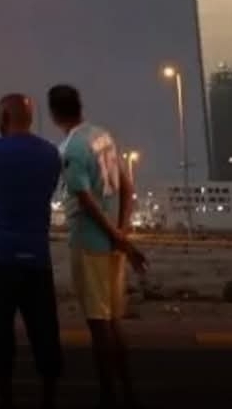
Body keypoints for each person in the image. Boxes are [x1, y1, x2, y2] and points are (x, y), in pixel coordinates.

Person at [47, 84, 148, 409]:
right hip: (113, 243)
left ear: (54, 113)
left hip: (90, 243)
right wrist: (122, 233)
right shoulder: (103, 136)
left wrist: (116, 236)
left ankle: (108, 395)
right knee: (114, 320)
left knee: (99, 324)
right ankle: (127, 391)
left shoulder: (71, 149)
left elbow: (85, 199)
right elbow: (127, 186)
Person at [0, 94, 64, 409]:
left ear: (3, 118)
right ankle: (48, 397)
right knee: (44, 332)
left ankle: (5, 398)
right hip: (36, 257)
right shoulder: (49, 154)